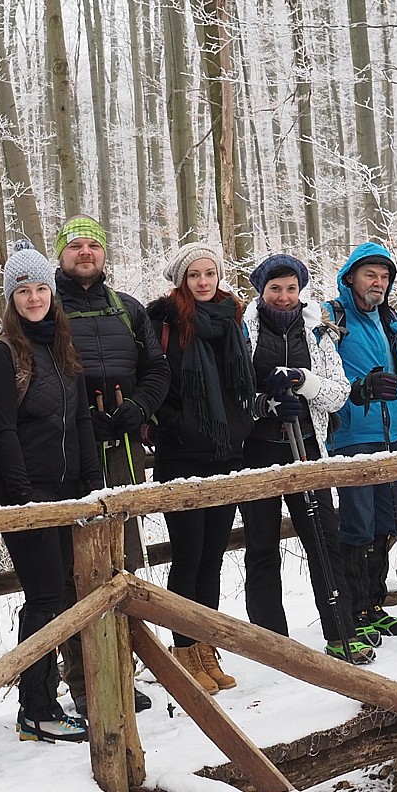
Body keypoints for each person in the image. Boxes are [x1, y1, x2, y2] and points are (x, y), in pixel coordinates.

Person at [0, 242, 102, 740]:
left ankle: (51, 699)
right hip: (28, 494)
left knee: (67, 594)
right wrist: (22, 494)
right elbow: (3, 429)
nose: (34, 298)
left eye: (40, 288)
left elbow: (80, 420)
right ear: (11, 299)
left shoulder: (62, 350)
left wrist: (94, 483)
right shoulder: (3, 354)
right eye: (23, 290)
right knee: (45, 597)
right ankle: (36, 707)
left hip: (71, 490)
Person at [52, 215, 166, 713]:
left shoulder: (129, 311)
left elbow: (157, 369)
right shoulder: (41, 307)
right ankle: (82, 682)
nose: (84, 253)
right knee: (73, 569)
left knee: (124, 559)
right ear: (61, 255)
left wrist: (138, 408)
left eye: (92, 245)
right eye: (75, 246)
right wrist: (77, 419)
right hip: (67, 454)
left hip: (122, 451)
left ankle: (123, 668)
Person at [236, 253, 365, 663]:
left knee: (324, 539)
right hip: (258, 449)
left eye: (291, 288)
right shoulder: (242, 331)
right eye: (275, 288)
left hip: (307, 446)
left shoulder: (319, 332)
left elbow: (338, 392)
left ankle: (341, 632)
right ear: (262, 291)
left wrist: (303, 382)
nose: (285, 296)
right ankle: (272, 644)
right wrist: (263, 403)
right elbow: (232, 392)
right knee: (261, 545)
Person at [144, 241, 256, 694]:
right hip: (183, 455)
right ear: (182, 280)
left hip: (226, 452)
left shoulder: (231, 319)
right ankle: (184, 649)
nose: (205, 282)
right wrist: (181, 425)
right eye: (196, 275)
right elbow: (154, 379)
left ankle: (206, 645)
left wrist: (239, 425)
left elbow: (240, 379)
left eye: (210, 273)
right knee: (188, 555)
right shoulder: (164, 320)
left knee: (212, 557)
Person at [320, 242, 397, 645]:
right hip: (353, 436)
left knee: (388, 521)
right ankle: (355, 610)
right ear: (350, 277)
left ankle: (374, 604)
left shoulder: (392, 322)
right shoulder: (330, 318)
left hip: (394, 433)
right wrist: (360, 389)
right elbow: (324, 380)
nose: (378, 283)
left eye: (385, 277)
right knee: (359, 524)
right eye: (370, 275)